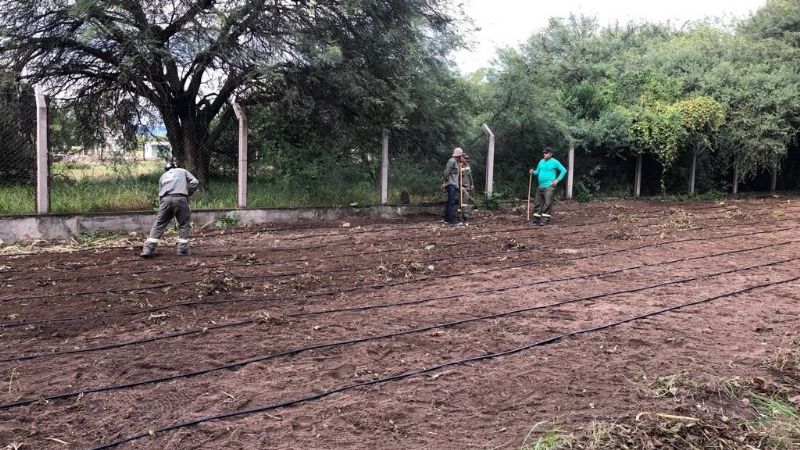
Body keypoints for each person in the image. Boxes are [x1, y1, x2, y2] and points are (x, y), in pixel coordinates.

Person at [139, 161, 200, 257]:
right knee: (184, 224)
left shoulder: (163, 176)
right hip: (180, 198)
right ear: (175, 167)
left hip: (165, 199)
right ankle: (182, 250)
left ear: (166, 169)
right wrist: (187, 193)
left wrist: (163, 206)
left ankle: (148, 250)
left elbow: (160, 193)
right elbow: (195, 182)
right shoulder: (182, 171)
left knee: (159, 224)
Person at [529, 146, 567, 226]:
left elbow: (564, 170)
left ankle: (544, 220)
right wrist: (532, 172)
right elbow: (537, 172)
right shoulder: (541, 161)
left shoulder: (555, 162)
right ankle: (536, 220)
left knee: (547, 203)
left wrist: (557, 180)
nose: (544, 154)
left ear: (550, 154)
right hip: (540, 186)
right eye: (544, 153)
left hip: (549, 186)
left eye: (546, 153)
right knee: (537, 203)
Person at [442, 147, 464, 226]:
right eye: (460, 155)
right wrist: (446, 181)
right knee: (452, 203)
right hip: (451, 184)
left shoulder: (456, 162)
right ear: (458, 155)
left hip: (453, 184)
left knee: (450, 202)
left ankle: (447, 219)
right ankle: (452, 220)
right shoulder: (452, 161)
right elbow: (446, 173)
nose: (461, 156)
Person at [459, 153, 475, 222]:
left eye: (467, 158)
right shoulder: (458, 165)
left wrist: (472, 184)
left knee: (466, 200)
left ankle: (464, 214)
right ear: (461, 158)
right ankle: (463, 213)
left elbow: (470, 175)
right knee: (463, 198)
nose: (466, 160)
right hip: (461, 185)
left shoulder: (468, 165)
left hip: (467, 185)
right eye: (465, 158)